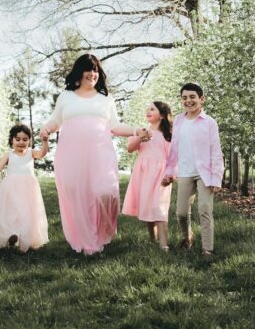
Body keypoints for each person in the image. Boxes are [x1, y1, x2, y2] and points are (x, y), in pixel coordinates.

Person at [39, 54, 149, 255]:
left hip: (101, 154)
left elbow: (115, 126)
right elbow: (55, 121)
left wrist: (136, 131)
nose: (93, 74)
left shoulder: (105, 98)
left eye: (96, 70)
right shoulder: (66, 96)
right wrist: (45, 129)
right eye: (89, 69)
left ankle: (102, 232)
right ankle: (87, 241)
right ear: (79, 72)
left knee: (105, 193)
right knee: (78, 196)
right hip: (71, 155)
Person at [162, 83, 223, 257]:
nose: (188, 101)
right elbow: (174, 149)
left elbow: (216, 151)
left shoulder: (209, 123)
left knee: (204, 209)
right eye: (184, 98)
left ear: (201, 99)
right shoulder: (179, 121)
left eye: (192, 97)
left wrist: (216, 178)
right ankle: (187, 237)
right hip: (185, 172)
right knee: (181, 213)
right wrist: (169, 172)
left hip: (205, 173)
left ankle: (207, 249)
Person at [0, 125, 50, 252]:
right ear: (12, 140)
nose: (21, 142)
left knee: (28, 213)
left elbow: (42, 154)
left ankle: (24, 240)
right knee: (12, 212)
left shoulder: (31, 152)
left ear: (29, 141)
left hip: (29, 189)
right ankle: (12, 234)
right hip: (11, 189)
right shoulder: (9, 155)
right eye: (17, 139)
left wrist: (45, 142)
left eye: (25, 139)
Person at [121, 101, 173, 251]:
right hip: (143, 173)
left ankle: (164, 245)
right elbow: (130, 149)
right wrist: (140, 137)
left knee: (159, 207)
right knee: (148, 206)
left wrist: (170, 175)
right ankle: (152, 240)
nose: (148, 111)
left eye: (152, 109)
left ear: (162, 115)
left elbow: (172, 157)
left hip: (160, 173)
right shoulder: (141, 131)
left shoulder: (168, 135)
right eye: (147, 109)